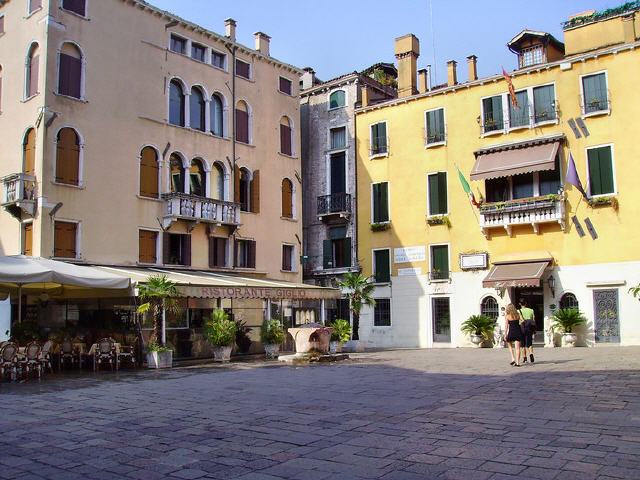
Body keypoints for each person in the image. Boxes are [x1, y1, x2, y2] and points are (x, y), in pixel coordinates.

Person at [519, 299, 536, 364]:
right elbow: (533, 320)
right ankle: (531, 354)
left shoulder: (518, 311)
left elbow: (518, 320)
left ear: (520, 304)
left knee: (523, 344)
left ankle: (525, 359)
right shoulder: (531, 310)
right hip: (529, 328)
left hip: (522, 328)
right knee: (529, 343)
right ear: (526, 303)